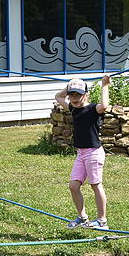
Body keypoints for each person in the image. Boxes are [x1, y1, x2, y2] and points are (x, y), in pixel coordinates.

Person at [55, 76, 111, 229]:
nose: (74, 98)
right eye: (71, 94)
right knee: (73, 186)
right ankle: (82, 216)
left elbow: (105, 105)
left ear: (85, 95)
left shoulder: (93, 109)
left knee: (96, 185)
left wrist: (104, 85)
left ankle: (102, 221)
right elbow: (58, 97)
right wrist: (71, 85)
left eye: (78, 95)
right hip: (81, 154)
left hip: (94, 153)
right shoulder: (73, 108)